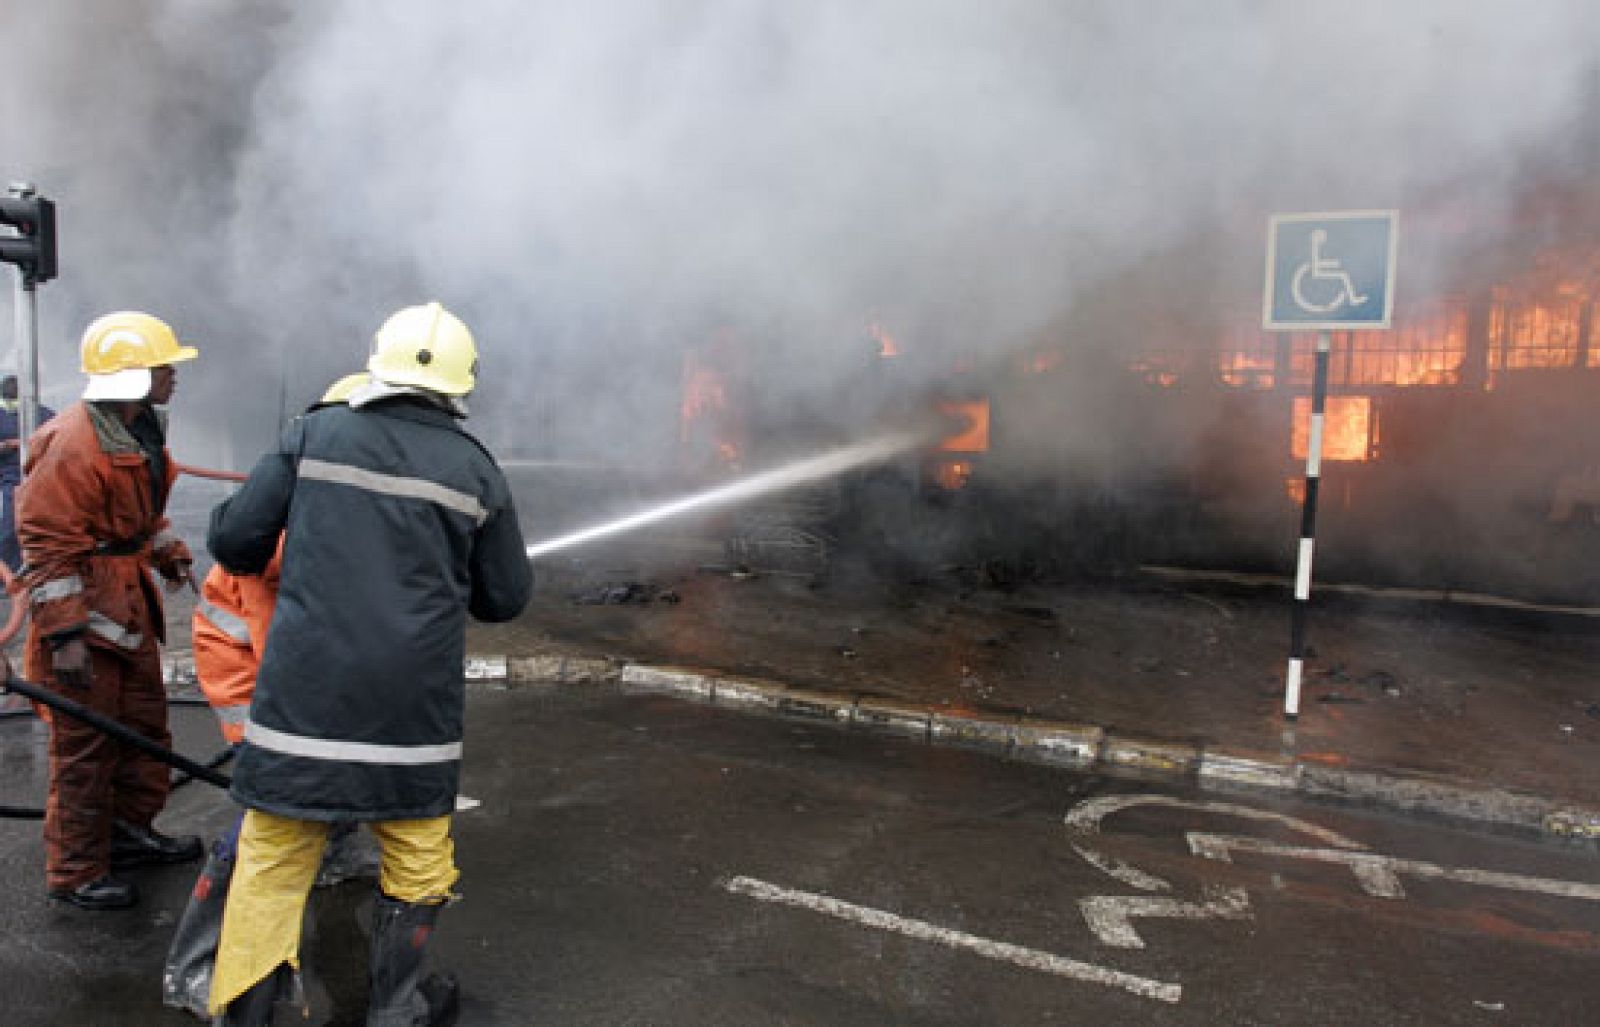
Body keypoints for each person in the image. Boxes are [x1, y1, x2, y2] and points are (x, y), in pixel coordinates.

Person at [207, 303, 532, 1025]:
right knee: (417, 856)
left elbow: (235, 543)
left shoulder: (314, 435)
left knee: (273, 859)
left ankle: (247, 1012)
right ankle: (397, 1008)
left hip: (302, 709)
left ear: (376, 361)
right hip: (411, 720)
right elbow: (506, 597)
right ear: (459, 384)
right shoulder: (477, 469)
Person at [163, 372, 377, 1019]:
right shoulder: (286, 523)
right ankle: (193, 964)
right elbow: (275, 640)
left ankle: (334, 844)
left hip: (287, 672)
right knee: (266, 823)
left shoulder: (342, 501)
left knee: (326, 778)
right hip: (252, 679)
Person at [15, 310, 205, 911]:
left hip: (125, 612)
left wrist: (165, 550)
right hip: (88, 621)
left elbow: (135, 516)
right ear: (134, 375)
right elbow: (48, 546)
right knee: (87, 749)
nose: (173, 375)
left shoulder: (136, 429)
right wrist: (65, 636)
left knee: (143, 732)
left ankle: (127, 835)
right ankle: (75, 872)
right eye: (163, 366)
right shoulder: (73, 442)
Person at [0, 373, 55, 570]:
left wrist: (25, 443)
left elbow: (57, 440)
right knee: (8, 527)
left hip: (40, 477)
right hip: (10, 479)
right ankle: (9, 574)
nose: (11, 409)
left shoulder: (41, 415)